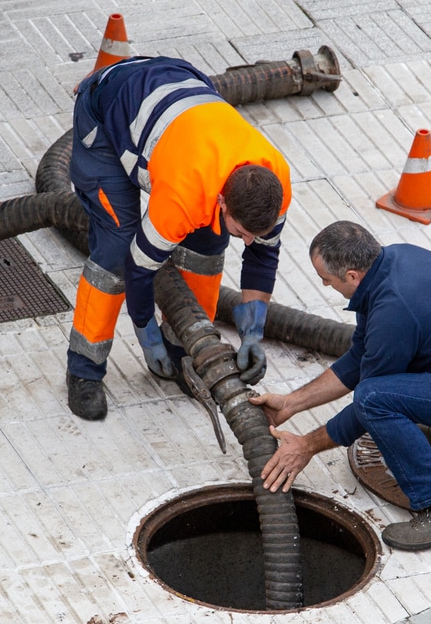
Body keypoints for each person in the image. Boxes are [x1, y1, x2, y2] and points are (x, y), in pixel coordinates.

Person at [251, 221, 431, 551]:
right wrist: (291, 403)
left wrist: (306, 445)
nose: (323, 284)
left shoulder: (395, 308)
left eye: (327, 279)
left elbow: (371, 402)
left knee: (375, 398)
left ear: (352, 276)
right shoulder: (392, 261)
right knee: (383, 391)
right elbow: (361, 355)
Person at [65, 55, 293, 420]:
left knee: (208, 246)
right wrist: (147, 334)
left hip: (178, 89)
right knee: (116, 247)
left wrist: (253, 332)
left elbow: (263, 255)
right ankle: (84, 368)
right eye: (243, 232)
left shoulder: (275, 180)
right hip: (108, 115)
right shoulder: (182, 196)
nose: (248, 242)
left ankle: (184, 349)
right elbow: (138, 269)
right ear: (222, 201)